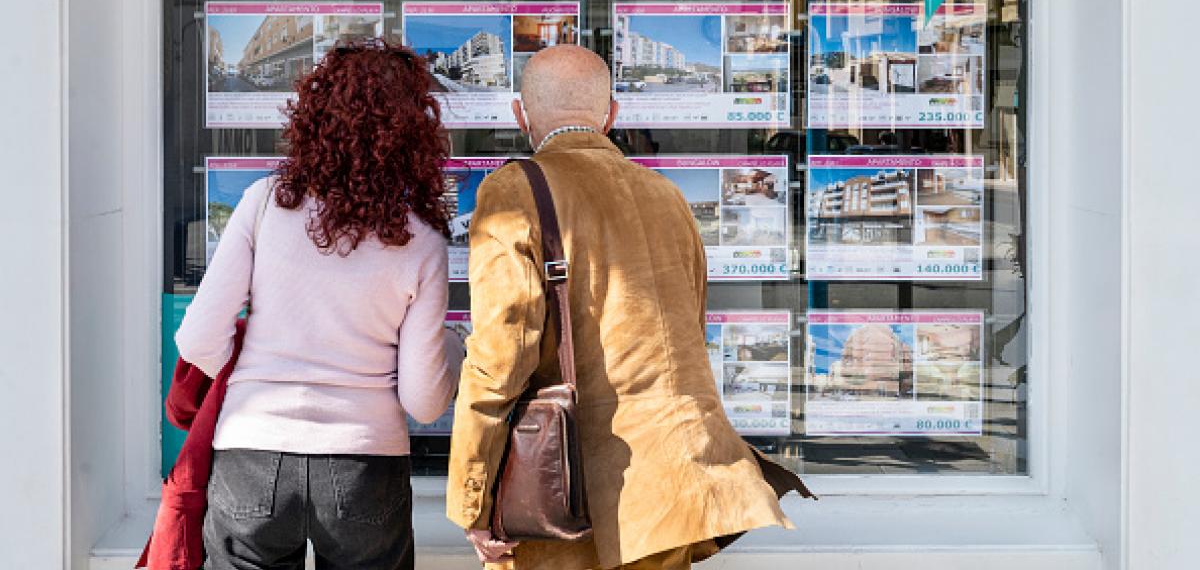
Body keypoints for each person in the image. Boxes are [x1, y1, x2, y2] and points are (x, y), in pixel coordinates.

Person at [447, 45, 809, 570]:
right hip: (677, 486)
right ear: (611, 115)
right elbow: (691, 326)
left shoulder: (513, 191)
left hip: (571, 498)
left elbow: (498, 362)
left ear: (520, 115)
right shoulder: (667, 195)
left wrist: (471, 501)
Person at [176, 43, 463, 570]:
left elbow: (197, 339)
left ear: (314, 118)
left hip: (251, 453)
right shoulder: (421, 240)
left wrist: (261, 378)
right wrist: (453, 351)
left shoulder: (264, 203)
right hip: (365, 465)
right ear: (411, 134)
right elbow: (424, 402)